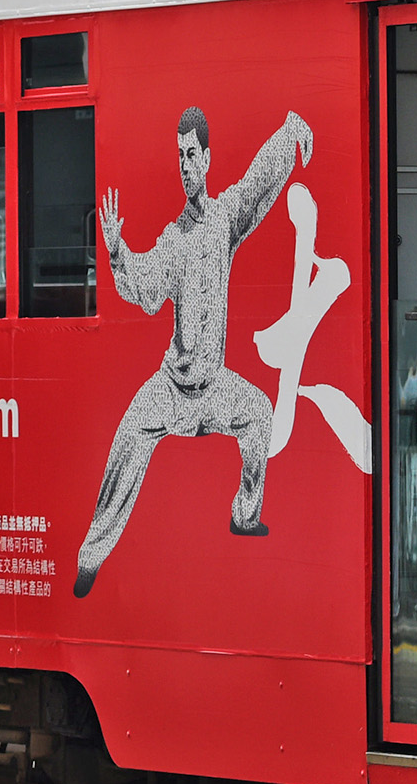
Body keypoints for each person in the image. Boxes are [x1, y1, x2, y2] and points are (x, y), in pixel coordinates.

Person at [74, 104, 314, 596]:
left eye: (190, 155)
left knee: (260, 415)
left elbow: (257, 184)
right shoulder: (174, 239)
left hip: (214, 391)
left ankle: (244, 515)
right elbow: (142, 290)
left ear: (207, 157)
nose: (184, 166)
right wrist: (118, 251)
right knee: (124, 449)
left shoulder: (224, 219)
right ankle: (90, 558)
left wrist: (289, 129)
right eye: (178, 157)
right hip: (171, 389)